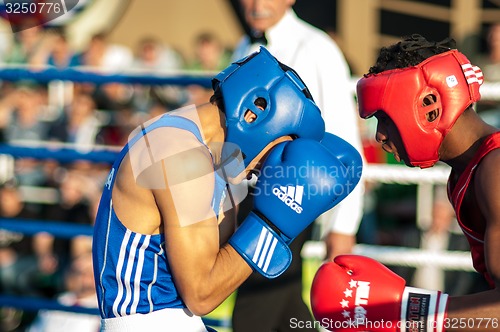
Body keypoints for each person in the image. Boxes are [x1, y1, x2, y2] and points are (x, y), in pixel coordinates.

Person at [91, 46, 363, 332]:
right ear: (255, 113)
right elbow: (201, 294)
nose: (272, 164)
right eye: (282, 146)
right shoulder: (181, 157)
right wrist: (273, 225)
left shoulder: (195, 142)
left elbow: (217, 254)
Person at [310, 34, 500, 332]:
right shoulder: (467, 173)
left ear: (429, 105)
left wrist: (403, 312)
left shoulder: (495, 171)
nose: (380, 136)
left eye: (384, 118)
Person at [231, 1, 365, 331]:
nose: (257, 4)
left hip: (292, 195)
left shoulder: (318, 48)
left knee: (255, 306)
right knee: (285, 307)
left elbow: (345, 138)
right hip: (247, 194)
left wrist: (344, 225)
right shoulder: (245, 45)